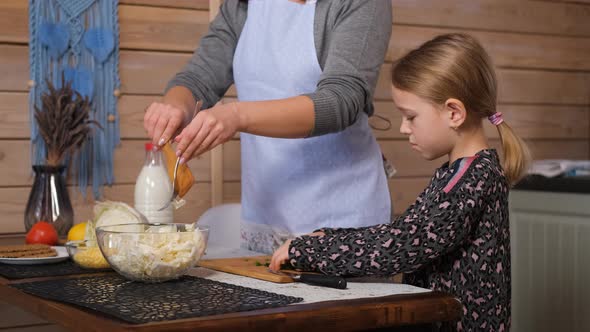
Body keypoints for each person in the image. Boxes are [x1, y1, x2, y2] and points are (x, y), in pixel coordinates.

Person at [270, 33, 531, 332]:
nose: (403, 128)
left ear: (454, 113)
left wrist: (310, 251)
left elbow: (403, 246)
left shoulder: (470, 180)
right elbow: (406, 232)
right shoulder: (461, 173)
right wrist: (329, 236)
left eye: (411, 116)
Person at [143, 0, 393, 253]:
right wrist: (175, 107)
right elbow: (198, 77)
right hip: (266, 216)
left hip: (342, 217)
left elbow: (342, 100)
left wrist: (236, 116)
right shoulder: (242, 6)